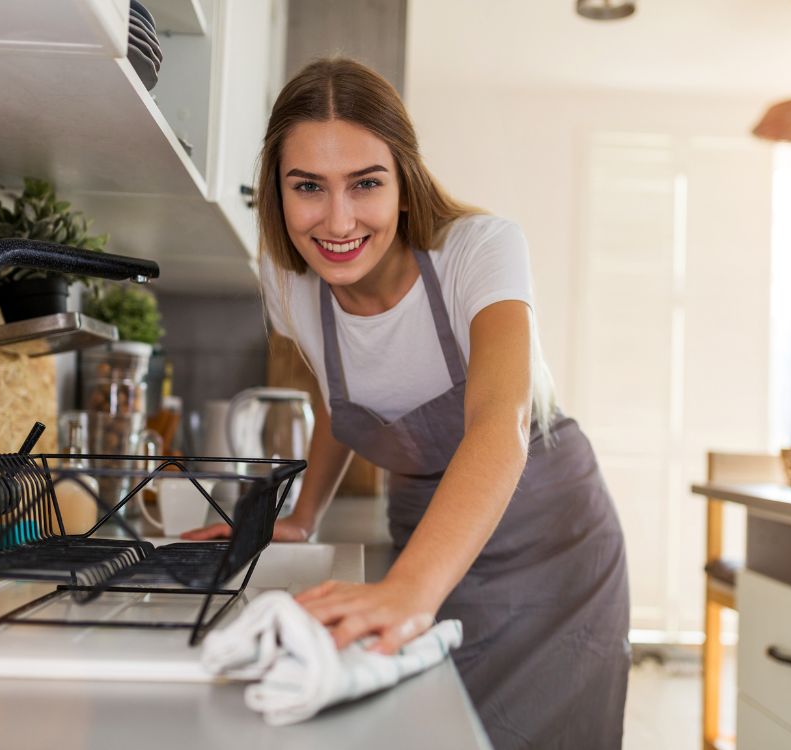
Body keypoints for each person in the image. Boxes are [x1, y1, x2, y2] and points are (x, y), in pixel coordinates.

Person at [183, 58, 630, 749]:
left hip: (551, 539)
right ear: (277, 190)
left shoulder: (478, 251)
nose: (337, 220)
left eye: (366, 184)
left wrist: (411, 591)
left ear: (404, 180)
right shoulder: (287, 282)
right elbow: (342, 400)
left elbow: (499, 420)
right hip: (426, 528)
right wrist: (302, 517)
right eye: (308, 187)